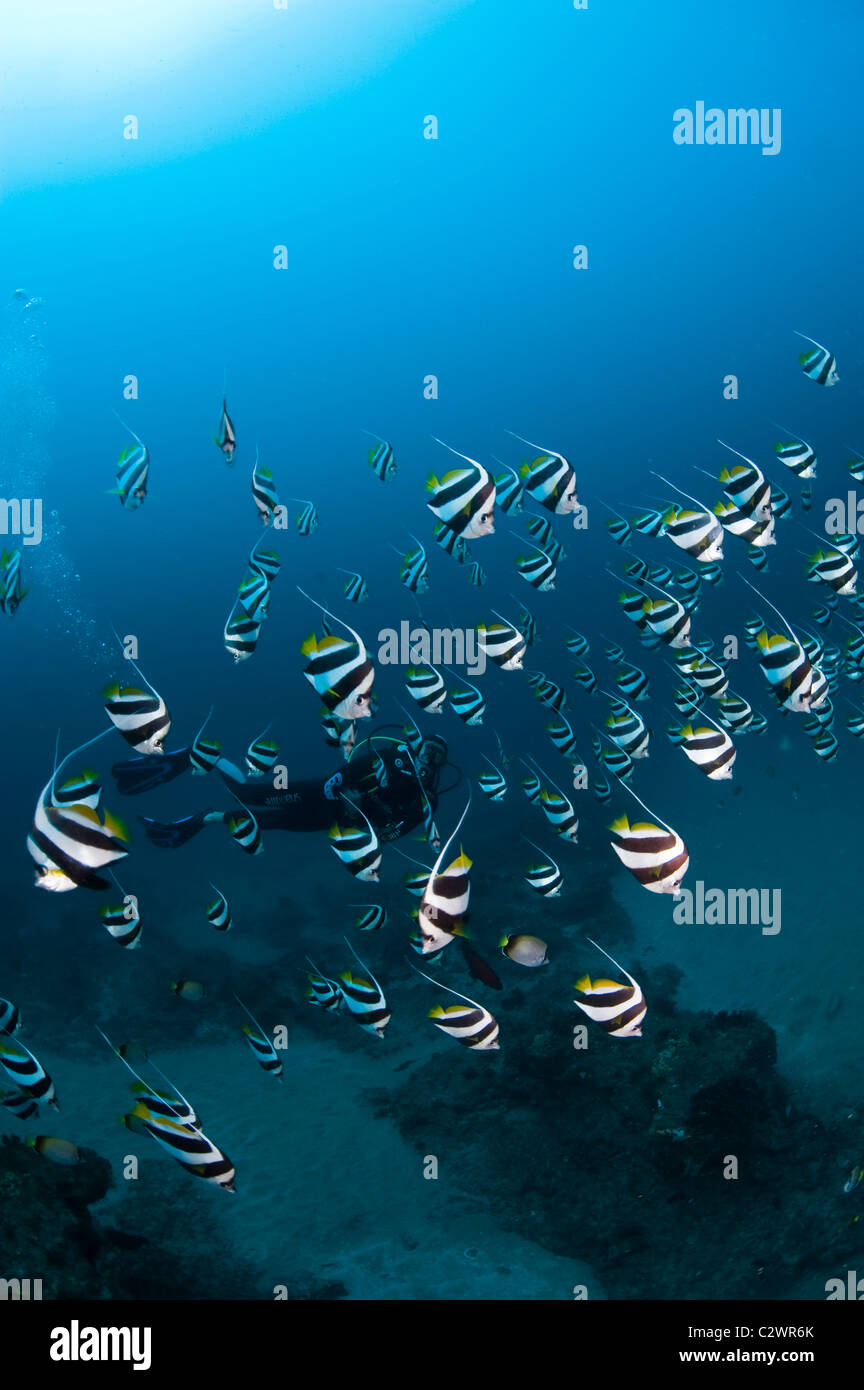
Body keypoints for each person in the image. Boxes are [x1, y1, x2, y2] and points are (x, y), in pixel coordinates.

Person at [110, 727, 457, 849]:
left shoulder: (430, 798)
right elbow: (355, 767)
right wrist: (339, 782)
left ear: (441, 764)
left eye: (437, 756)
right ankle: (202, 757)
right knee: (248, 794)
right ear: (418, 746)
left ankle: (202, 819)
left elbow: (402, 829)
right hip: (322, 792)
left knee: (269, 823)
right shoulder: (393, 752)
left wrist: (375, 833)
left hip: (336, 820)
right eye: (428, 748)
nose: (430, 756)